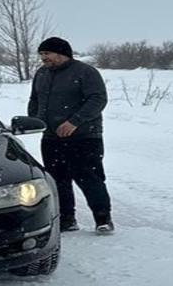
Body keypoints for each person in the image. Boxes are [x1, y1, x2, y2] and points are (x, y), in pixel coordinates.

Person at [28, 36, 112, 233]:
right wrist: (35, 120)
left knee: (89, 177)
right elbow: (35, 100)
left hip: (83, 137)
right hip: (50, 137)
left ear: (61, 53)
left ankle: (103, 219)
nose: (43, 58)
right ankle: (67, 219)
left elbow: (98, 99)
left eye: (47, 53)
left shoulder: (85, 72)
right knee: (58, 179)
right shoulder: (42, 74)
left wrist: (75, 121)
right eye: (41, 54)